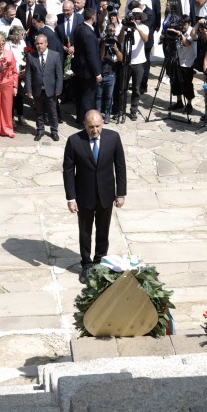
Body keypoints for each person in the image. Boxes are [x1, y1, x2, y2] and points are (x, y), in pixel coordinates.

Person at [62, 110, 127, 284]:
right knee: (85, 232)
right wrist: (71, 198)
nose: (95, 130)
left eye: (98, 126)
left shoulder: (113, 138)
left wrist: (120, 193)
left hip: (106, 195)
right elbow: (68, 171)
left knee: (103, 231)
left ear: (102, 124)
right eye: (91, 127)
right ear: (84, 124)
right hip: (84, 196)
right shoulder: (75, 141)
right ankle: (86, 264)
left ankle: (100, 261)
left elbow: (120, 166)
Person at [25, 33, 63, 141]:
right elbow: (28, 74)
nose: (39, 46)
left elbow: (59, 74)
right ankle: (40, 130)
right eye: (37, 44)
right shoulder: (31, 56)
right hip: (37, 89)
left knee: (53, 112)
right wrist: (28, 89)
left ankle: (54, 131)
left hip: (51, 90)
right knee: (39, 112)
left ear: (46, 43)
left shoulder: (55, 55)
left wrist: (58, 89)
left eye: (41, 43)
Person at [117, 6, 149, 121]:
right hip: (126, 61)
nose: (136, 19)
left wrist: (137, 28)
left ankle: (134, 110)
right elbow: (120, 41)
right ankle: (121, 109)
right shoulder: (124, 26)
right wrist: (124, 28)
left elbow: (145, 40)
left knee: (136, 88)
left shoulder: (144, 27)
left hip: (139, 62)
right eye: (134, 17)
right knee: (122, 87)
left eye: (138, 17)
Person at [71, 8, 102, 125]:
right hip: (87, 71)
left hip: (79, 68)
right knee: (87, 97)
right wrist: (97, 73)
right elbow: (92, 55)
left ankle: (80, 118)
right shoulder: (88, 33)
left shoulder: (78, 28)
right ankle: (85, 121)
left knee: (80, 95)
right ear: (93, 17)